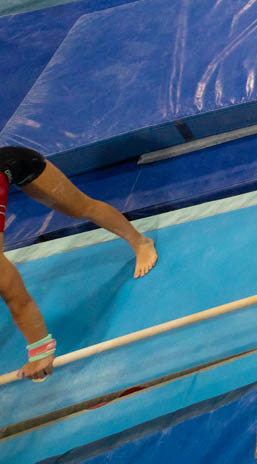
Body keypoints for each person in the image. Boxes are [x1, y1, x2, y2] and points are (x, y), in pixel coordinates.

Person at [0, 147, 158, 381]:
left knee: (80, 207)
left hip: (14, 161)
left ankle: (140, 242)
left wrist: (40, 351)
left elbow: (19, 301)